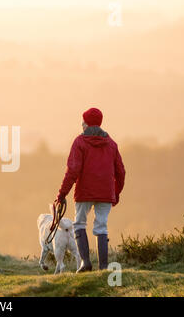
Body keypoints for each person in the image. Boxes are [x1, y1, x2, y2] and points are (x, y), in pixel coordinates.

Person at [56, 107, 125, 273]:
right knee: (101, 227)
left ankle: (85, 263)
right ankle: (103, 267)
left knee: (79, 223)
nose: (81, 124)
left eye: (83, 121)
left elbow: (72, 171)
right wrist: (116, 192)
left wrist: (62, 193)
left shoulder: (79, 142)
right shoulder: (111, 144)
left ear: (86, 124)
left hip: (84, 192)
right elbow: (121, 171)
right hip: (106, 193)